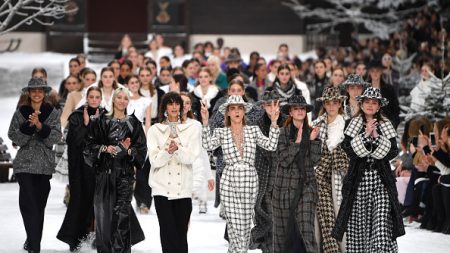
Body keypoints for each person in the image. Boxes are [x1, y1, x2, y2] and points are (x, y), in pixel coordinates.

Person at [201, 95, 280, 252]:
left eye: (239, 108)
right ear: (228, 113)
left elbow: (271, 145)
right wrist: (205, 123)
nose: (236, 111)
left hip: (250, 180)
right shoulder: (221, 132)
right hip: (229, 179)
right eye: (233, 108)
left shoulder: (253, 130)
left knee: (243, 226)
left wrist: (273, 122)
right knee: (234, 223)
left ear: (244, 111)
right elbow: (207, 145)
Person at [332, 87, 405, 252]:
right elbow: (348, 150)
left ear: (379, 106)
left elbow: (393, 151)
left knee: (381, 224)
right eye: (367, 102)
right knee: (360, 226)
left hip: (381, 181)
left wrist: (377, 138)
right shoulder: (352, 123)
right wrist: (365, 135)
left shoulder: (386, 124)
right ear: (361, 104)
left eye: (374, 102)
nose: (370, 105)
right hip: (358, 182)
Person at [84, 87, 147, 252]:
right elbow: (88, 147)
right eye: (118, 97)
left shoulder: (134, 123)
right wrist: (105, 148)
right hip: (104, 174)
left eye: (125, 98)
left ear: (128, 101)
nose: (121, 101)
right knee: (104, 216)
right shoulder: (101, 122)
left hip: (125, 175)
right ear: (113, 99)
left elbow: (141, 151)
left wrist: (128, 151)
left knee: (122, 215)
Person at [8, 78, 62, 253]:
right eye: (33, 91)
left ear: (45, 93)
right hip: (24, 164)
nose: (37, 94)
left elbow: (55, 138)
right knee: (28, 204)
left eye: (40, 91)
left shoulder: (52, 113)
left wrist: (39, 126)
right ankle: (35, 247)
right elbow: (14, 137)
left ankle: (32, 241)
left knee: (39, 206)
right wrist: (28, 126)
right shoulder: (20, 112)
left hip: (45, 165)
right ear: (29, 93)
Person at [147, 92, 202, 253]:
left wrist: (177, 149)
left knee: (180, 233)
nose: (174, 107)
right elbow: (154, 160)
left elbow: (191, 157)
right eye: (170, 103)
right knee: (167, 232)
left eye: (177, 103)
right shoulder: (155, 130)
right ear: (164, 107)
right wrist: (168, 151)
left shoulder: (190, 128)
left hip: (183, 189)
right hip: (161, 188)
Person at [57, 86, 104, 251]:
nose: (94, 100)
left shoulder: (105, 115)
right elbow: (74, 141)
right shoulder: (76, 116)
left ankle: (99, 237)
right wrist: (87, 125)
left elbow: (105, 141)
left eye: (97, 97)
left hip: (101, 169)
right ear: (86, 98)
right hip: (81, 169)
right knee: (80, 202)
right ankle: (77, 239)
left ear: (101, 99)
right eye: (91, 96)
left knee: (100, 204)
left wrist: (93, 124)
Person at [271, 95, 321, 253]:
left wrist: (312, 141)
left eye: (302, 108)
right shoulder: (282, 133)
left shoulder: (312, 132)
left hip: (306, 186)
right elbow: (283, 160)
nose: (300, 111)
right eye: (296, 108)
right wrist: (298, 143)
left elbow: (314, 161)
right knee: (284, 233)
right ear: (290, 112)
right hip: (283, 188)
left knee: (306, 228)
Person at [312, 86, 349, 253]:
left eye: (335, 102)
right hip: (319, 176)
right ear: (324, 104)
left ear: (340, 103)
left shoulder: (347, 124)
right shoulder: (317, 124)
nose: (332, 106)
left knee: (340, 216)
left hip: (341, 176)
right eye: (328, 103)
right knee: (327, 216)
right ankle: (332, 250)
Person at [249, 91, 286, 252]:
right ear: (263, 106)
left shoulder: (287, 122)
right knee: (263, 211)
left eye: (274, 104)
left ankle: (256, 239)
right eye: (268, 104)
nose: (272, 108)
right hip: (262, 172)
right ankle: (259, 240)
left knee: (279, 216)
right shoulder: (255, 124)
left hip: (283, 173)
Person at [180, 92, 215, 214]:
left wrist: (209, 176)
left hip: (194, 168)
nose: (184, 105)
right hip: (174, 171)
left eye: (187, 103)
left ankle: (202, 199)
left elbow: (203, 150)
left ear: (190, 106)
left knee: (185, 206)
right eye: (181, 102)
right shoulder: (167, 125)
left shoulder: (196, 125)